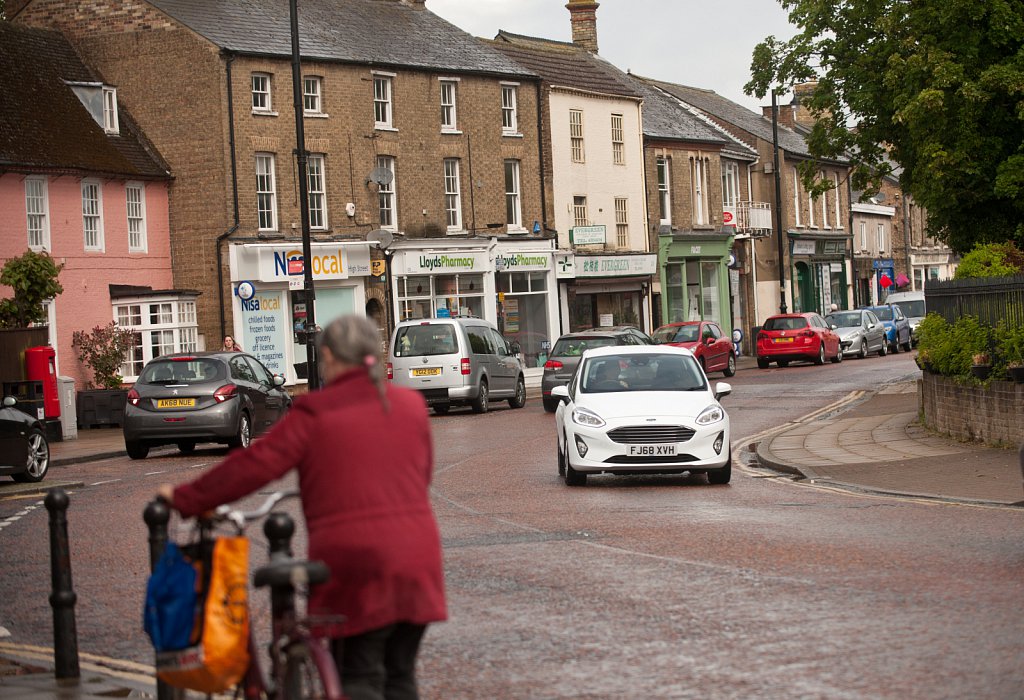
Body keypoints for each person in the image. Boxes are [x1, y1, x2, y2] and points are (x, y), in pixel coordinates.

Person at [158, 315, 446, 700]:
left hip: (357, 565)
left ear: (330, 357)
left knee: (359, 678)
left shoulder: (316, 412)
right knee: (400, 677)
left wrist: (187, 498)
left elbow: (254, 466)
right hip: (417, 560)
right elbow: (420, 475)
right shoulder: (410, 405)